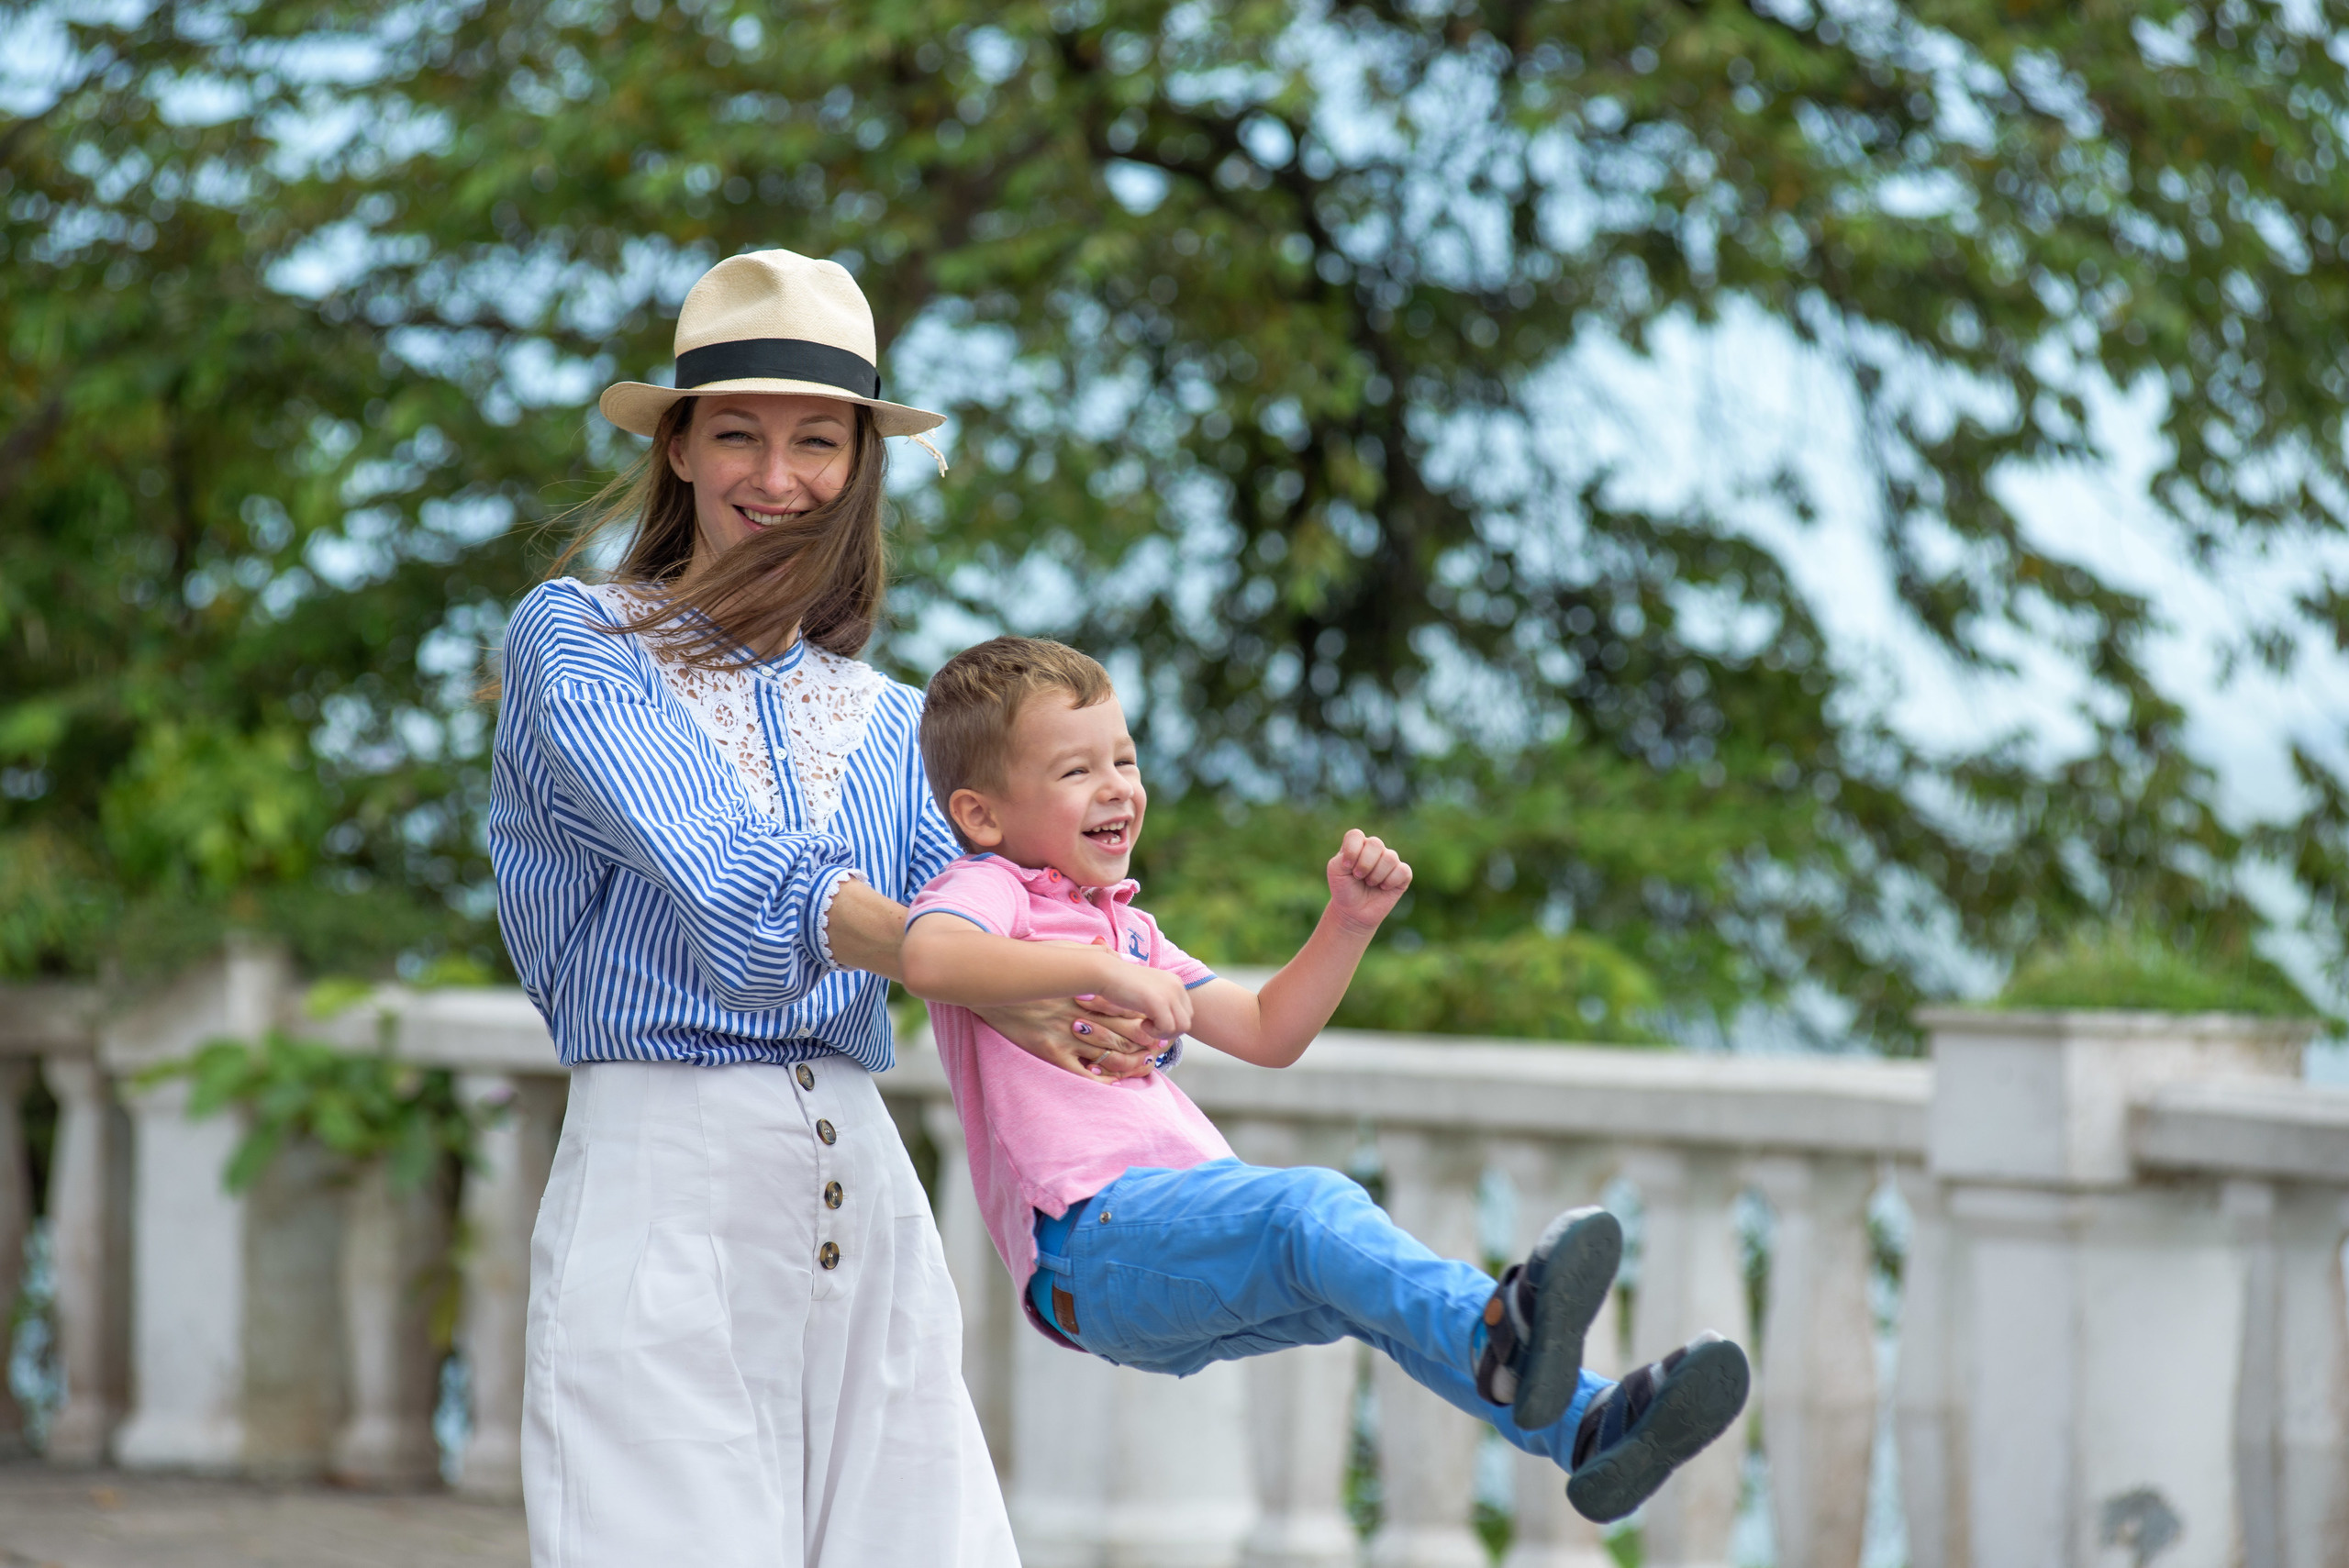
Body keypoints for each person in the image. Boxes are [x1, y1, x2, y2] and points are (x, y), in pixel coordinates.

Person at [487, 250, 1163, 1568]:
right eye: (735, 432)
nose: (776, 476)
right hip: (664, 1193)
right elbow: (743, 901)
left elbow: (1007, 930)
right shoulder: (576, 640)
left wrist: (1111, 995)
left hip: (869, 1195)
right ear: (677, 447)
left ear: (861, 463)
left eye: (817, 441)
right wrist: (968, 963)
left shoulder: (896, 719)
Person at [899, 636, 1753, 1524]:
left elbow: (1270, 1031)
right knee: (1314, 1207)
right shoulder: (989, 888)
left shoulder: (1131, 930)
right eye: (1076, 769)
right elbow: (928, 954)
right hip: (1089, 1247)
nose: (1116, 785)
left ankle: (1586, 1424)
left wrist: (1346, 921)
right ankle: (1503, 1330)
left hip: (1168, 1243)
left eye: (1125, 757)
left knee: (1370, 1290)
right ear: (983, 812)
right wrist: (1104, 977)